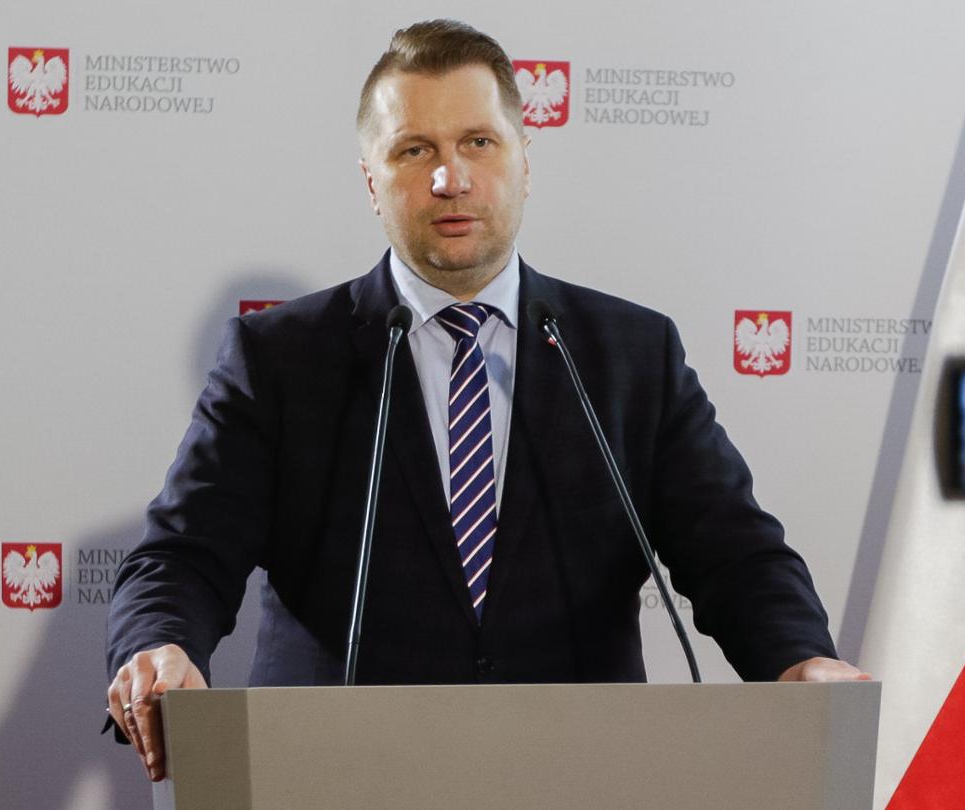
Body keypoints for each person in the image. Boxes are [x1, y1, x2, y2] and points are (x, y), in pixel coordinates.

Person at [103, 19, 866, 782]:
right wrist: (159, 646)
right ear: (371, 181)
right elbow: (181, 557)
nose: (450, 178)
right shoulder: (279, 358)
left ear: (524, 162)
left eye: (478, 142)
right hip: (335, 774)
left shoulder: (630, 354)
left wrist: (798, 658)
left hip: (578, 773)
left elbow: (735, 554)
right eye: (415, 150)